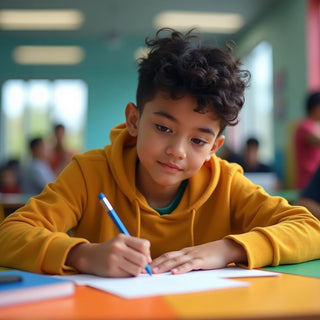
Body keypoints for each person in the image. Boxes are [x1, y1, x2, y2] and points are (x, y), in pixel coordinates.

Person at [0, 28, 319, 278]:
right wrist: (81, 254)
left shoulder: (225, 183)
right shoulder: (90, 172)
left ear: (214, 149)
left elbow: (311, 230)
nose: (176, 151)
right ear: (134, 120)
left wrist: (229, 249)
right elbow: (10, 234)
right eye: (164, 128)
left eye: (197, 141)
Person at [294, 91, 320, 189]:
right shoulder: (305, 126)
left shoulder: (314, 126)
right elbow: (317, 140)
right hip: (308, 180)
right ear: (316, 107)